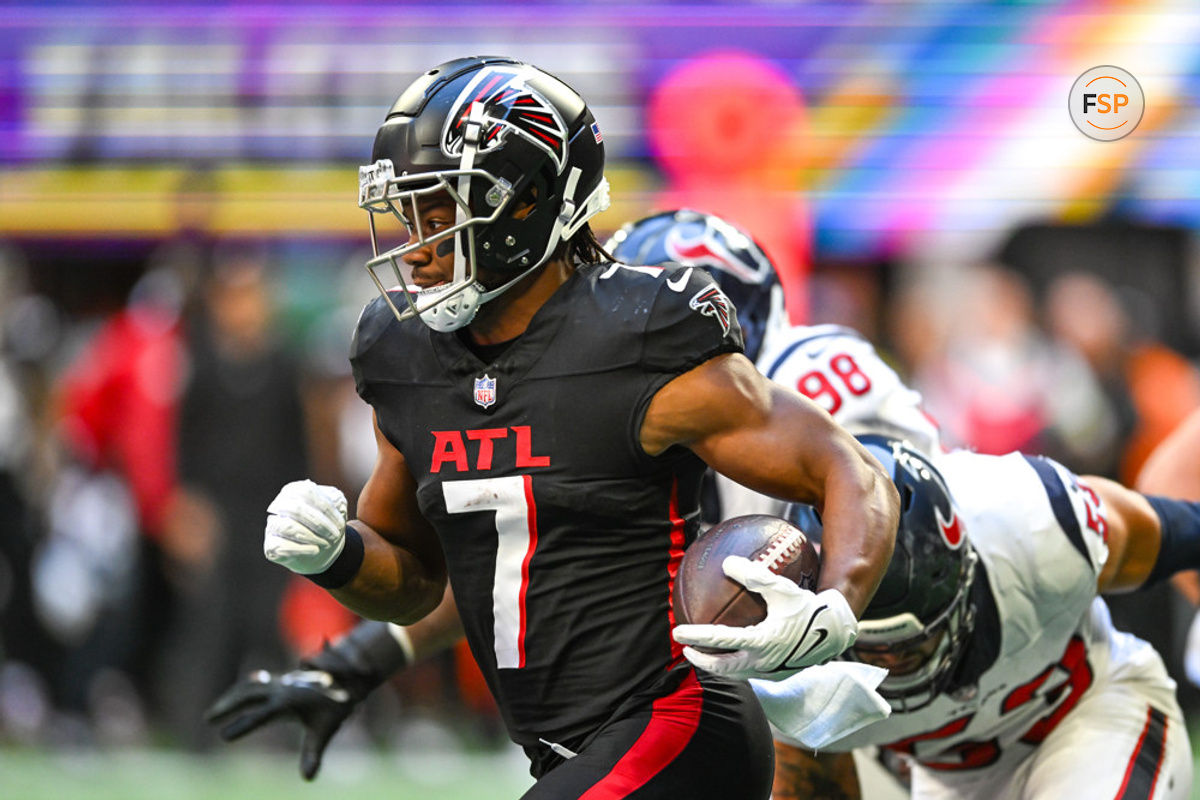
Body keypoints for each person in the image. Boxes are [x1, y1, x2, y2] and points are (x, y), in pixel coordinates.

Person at [242, 57, 899, 800]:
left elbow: (848, 470)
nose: (416, 246)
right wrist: (334, 556)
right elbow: (417, 582)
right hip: (565, 750)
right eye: (409, 214)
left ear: (525, 207)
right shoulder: (404, 357)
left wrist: (835, 606)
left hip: (678, 727)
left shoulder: (636, 335)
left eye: (443, 214)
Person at [707, 434, 1195, 799]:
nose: (891, 665)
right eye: (870, 649)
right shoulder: (784, 646)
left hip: (1092, 717)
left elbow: (1167, 535)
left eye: (908, 647)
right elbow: (816, 783)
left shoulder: (1028, 525)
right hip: (950, 783)